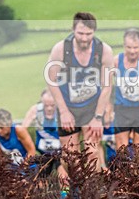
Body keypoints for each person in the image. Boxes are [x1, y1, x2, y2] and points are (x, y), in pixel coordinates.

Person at [44, 12, 114, 172]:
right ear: (73, 30)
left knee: (92, 152)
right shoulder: (61, 49)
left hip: (92, 107)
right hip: (68, 106)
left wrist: (98, 117)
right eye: (80, 33)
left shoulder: (104, 51)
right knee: (71, 158)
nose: (84, 38)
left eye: (88, 34)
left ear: (94, 32)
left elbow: (107, 86)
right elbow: (51, 79)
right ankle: (76, 194)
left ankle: (95, 193)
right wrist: (63, 111)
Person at [110, 28, 139, 151]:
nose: (132, 51)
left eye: (135, 48)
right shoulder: (115, 61)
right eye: (129, 47)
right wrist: (108, 107)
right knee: (121, 147)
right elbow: (106, 86)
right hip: (122, 108)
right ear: (124, 46)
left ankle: (137, 170)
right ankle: (124, 170)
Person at [20, 89, 69, 182]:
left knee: (63, 177)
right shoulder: (36, 110)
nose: (49, 108)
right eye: (46, 106)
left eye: (52, 105)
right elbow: (23, 129)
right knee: (40, 179)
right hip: (42, 152)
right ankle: (41, 195)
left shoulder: (62, 111)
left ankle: (66, 195)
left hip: (59, 152)